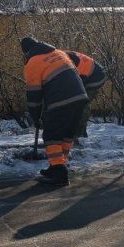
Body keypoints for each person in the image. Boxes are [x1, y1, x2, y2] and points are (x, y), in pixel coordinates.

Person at [21, 37, 89, 186]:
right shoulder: (59, 53)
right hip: (80, 98)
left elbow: (34, 97)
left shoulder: (33, 63)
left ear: (26, 52)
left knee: (52, 136)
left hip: (61, 100)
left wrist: (35, 116)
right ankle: (58, 165)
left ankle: (59, 173)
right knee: (66, 134)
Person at [65, 50, 107, 139]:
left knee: (82, 104)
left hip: (96, 77)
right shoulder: (58, 56)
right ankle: (78, 132)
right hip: (87, 75)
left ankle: (79, 134)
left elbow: (78, 83)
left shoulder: (67, 60)